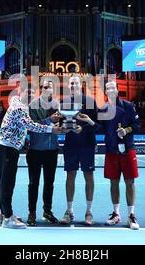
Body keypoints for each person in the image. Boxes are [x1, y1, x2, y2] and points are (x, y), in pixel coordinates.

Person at [0, 87, 64, 229]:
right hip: (8, 148)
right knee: (7, 184)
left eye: (32, 94)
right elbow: (30, 125)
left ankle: (4, 213)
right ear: (20, 93)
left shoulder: (18, 103)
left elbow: (23, 124)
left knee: (5, 182)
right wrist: (51, 128)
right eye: (28, 93)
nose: (30, 96)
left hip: (9, 147)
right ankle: (8, 219)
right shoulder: (20, 108)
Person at [77, 80, 141, 230]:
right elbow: (100, 128)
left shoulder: (128, 106)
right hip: (111, 150)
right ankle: (116, 214)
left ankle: (131, 215)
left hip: (127, 149)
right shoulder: (103, 109)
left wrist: (127, 130)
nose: (110, 90)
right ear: (106, 92)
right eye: (107, 88)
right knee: (113, 183)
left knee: (129, 182)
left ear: (117, 91)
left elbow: (138, 125)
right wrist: (89, 121)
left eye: (112, 87)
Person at [59, 75, 98, 226]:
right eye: (71, 83)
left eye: (76, 83)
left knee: (89, 177)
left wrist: (83, 128)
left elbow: (96, 123)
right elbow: (62, 124)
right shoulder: (63, 102)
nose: (73, 85)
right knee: (70, 177)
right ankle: (69, 211)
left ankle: (89, 212)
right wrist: (62, 127)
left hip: (87, 144)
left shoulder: (90, 101)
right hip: (71, 144)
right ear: (68, 86)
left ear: (80, 84)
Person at [26, 79, 61, 226]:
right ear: (41, 88)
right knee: (34, 183)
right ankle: (32, 213)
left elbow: (60, 125)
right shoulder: (33, 105)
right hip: (35, 150)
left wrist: (64, 125)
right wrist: (48, 120)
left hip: (52, 150)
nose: (47, 89)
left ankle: (47, 211)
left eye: (50, 87)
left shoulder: (57, 105)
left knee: (49, 183)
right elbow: (30, 126)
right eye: (45, 87)